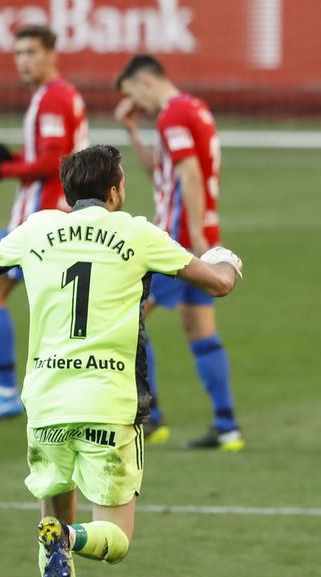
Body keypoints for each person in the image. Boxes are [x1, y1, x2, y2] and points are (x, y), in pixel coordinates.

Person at [0, 145, 244, 577]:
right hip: (109, 403)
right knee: (113, 539)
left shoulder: (39, 228)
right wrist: (228, 259)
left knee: (50, 522)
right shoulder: (136, 232)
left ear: (67, 192)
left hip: (45, 404)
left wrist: (0, 250)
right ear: (114, 191)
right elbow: (218, 283)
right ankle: (69, 539)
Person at [113, 54, 242, 451]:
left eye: (133, 94)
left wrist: (199, 240)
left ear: (146, 82)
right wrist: (133, 131)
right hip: (192, 234)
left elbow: (189, 173)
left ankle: (150, 416)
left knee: (125, 320)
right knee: (200, 332)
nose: (136, 103)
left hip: (177, 241)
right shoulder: (192, 109)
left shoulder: (172, 115)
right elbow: (164, 172)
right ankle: (226, 427)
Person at [0, 24, 88, 424]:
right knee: (70, 315)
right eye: (18, 53)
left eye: (32, 52)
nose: (24, 61)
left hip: (42, 222)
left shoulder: (53, 98)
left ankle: (6, 393)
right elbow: (52, 151)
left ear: (52, 54)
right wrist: (15, 157)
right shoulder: (55, 96)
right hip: (55, 219)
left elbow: (56, 160)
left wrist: (6, 169)